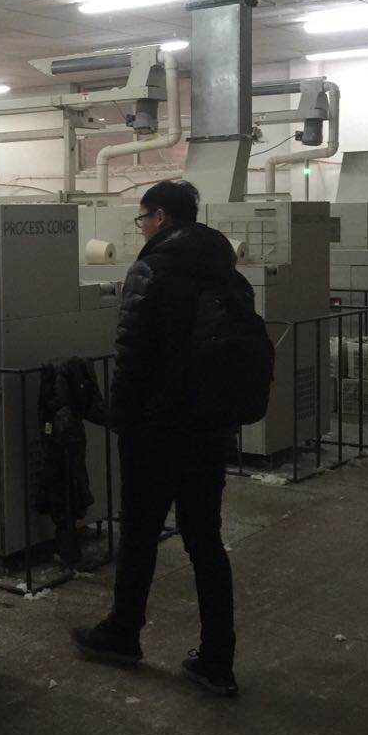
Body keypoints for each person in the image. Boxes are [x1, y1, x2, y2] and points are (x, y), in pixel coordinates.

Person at [72, 181, 240, 695]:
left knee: (140, 532)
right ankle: (217, 659)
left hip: (157, 427)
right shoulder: (224, 267)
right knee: (205, 540)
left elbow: (132, 353)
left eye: (143, 218)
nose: (141, 227)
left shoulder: (152, 269)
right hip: (209, 425)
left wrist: (118, 416)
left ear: (162, 217)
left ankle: (123, 633)